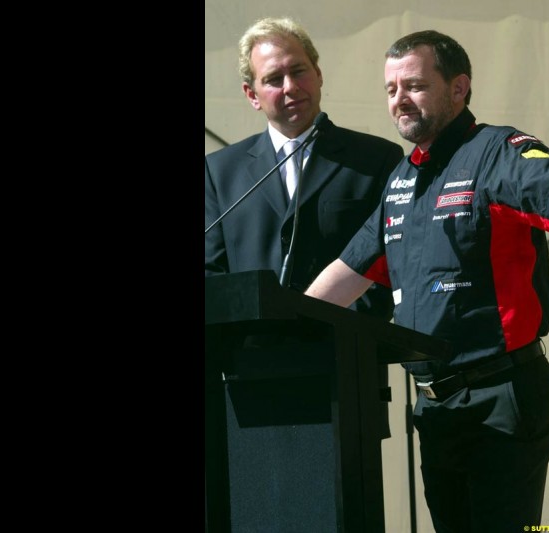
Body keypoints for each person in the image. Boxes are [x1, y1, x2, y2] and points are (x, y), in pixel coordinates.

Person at [304, 30, 549, 532]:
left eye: (415, 85)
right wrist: (277, 325)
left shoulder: (496, 151)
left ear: (459, 87)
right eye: (390, 89)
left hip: (501, 398)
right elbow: (344, 278)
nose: (399, 99)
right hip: (436, 408)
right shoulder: (402, 180)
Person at [204, 17, 404, 529]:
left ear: (318, 74)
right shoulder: (220, 171)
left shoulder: (376, 159)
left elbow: (388, 268)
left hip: (342, 375)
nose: (290, 87)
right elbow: (213, 275)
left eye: (299, 71)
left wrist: (330, 325)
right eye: (274, 79)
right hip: (250, 387)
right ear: (252, 94)